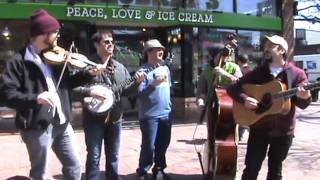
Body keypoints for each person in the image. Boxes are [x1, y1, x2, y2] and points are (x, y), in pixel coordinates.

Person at [0, 9, 101, 180]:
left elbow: (67, 84)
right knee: (40, 172)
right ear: (43, 33)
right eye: (55, 31)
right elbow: (5, 94)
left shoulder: (54, 58)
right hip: (37, 127)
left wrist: (88, 74)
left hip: (62, 123)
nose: (57, 35)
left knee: (74, 166)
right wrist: (35, 99)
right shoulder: (19, 61)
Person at [227, 35, 312, 180]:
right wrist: (245, 98)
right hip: (259, 128)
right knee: (251, 170)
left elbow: (303, 103)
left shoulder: (296, 74)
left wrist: (305, 97)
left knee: (275, 172)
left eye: (270, 46)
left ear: (281, 50)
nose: (265, 48)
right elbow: (233, 88)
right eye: (266, 45)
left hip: (283, 131)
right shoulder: (259, 72)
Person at [73, 29, 145, 180]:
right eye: (106, 42)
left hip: (115, 118)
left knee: (113, 155)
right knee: (94, 155)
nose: (110, 44)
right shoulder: (87, 66)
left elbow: (126, 91)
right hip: (93, 119)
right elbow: (74, 88)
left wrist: (136, 83)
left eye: (112, 42)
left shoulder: (119, 67)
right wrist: (89, 92)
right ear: (96, 45)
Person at [136, 39, 172, 180]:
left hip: (166, 114)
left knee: (163, 144)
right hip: (149, 116)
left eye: (161, 49)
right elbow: (139, 94)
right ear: (148, 52)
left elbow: (168, 90)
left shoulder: (166, 69)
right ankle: (143, 172)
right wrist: (152, 84)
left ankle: (159, 170)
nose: (161, 51)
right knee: (148, 146)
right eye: (157, 49)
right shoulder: (142, 71)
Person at [236, 53, 252, 141]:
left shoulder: (240, 70)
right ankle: (240, 135)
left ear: (239, 61)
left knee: (242, 116)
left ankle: (241, 135)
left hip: (242, 95)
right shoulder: (251, 70)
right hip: (250, 95)